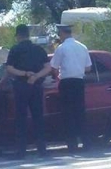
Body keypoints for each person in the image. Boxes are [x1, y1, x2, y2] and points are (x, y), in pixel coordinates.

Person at [6, 25, 52, 158]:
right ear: (28, 34)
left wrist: (25, 74)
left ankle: (21, 151)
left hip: (21, 86)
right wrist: (36, 76)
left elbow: (9, 69)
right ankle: (42, 149)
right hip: (36, 86)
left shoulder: (15, 50)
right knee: (38, 117)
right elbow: (48, 68)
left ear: (18, 35)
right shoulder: (39, 49)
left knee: (21, 118)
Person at [50, 24, 92, 153]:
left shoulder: (61, 48)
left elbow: (54, 68)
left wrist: (57, 76)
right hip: (79, 82)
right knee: (80, 113)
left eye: (59, 34)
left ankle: (72, 145)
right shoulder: (82, 47)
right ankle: (86, 142)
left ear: (62, 33)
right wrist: (77, 68)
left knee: (68, 114)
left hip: (67, 83)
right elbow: (88, 68)